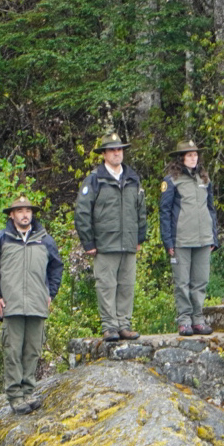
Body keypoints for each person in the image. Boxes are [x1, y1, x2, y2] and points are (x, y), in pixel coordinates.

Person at [0, 195, 64, 415]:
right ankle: (15, 397)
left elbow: (56, 267)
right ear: (11, 214)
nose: (25, 215)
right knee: (13, 352)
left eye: (28, 211)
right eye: (20, 211)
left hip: (37, 305)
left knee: (33, 351)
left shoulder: (45, 240)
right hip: (12, 305)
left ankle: (28, 392)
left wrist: (50, 293)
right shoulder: (0, 239)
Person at [74, 132, 147, 342]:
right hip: (105, 243)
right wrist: (88, 241)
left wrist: (140, 238)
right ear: (104, 154)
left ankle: (124, 325)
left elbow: (141, 210)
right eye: (113, 150)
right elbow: (83, 212)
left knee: (126, 285)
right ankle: (109, 327)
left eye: (120, 149)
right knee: (106, 286)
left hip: (129, 242)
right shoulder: (95, 179)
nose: (117, 153)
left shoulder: (133, 178)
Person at [159, 139, 218, 336]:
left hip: (203, 239)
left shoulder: (204, 180)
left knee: (200, 281)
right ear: (181, 158)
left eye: (195, 154)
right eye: (189, 155)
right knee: (182, 282)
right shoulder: (171, 181)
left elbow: (211, 209)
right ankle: (184, 320)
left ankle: (198, 319)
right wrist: (168, 241)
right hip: (181, 239)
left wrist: (214, 237)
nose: (193, 158)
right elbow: (165, 212)